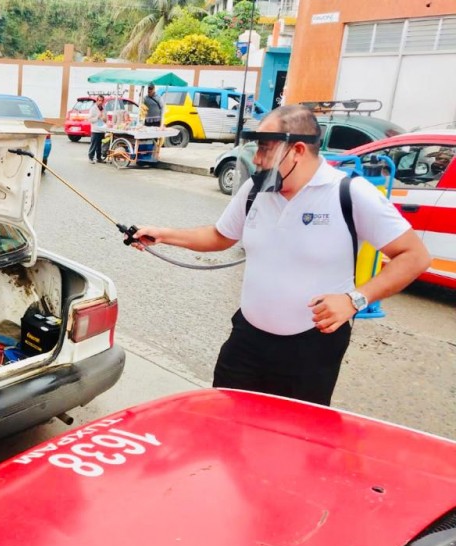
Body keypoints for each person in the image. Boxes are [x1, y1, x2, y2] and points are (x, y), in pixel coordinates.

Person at [133, 104, 430, 406]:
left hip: (311, 351)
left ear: (298, 150)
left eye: (265, 149)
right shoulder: (256, 189)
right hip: (247, 340)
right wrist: (163, 234)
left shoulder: (349, 194)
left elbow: (414, 256)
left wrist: (355, 300)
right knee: (226, 422)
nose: (257, 160)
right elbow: (220, 236)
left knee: (293, 439)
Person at [88, 95, 105, 164]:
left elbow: (105, 118)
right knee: (93, 145)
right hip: (95, 130)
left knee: (99, 145)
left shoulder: (103, 109)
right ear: (97, 101)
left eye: (102, 101)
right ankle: (91, 157)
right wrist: (97, 117)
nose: (100, 102)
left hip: (102, 129)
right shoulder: (93, 109)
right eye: (99, 100)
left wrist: (105, 119)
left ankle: (99, 158)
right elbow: (90, 119)